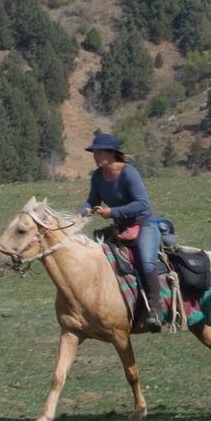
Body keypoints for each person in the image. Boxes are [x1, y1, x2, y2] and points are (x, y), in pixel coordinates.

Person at [76, 131, 171, 329]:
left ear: (111, 153)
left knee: (145, 261)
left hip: (143, 225)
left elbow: (142, 205)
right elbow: (92, 200)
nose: (95, 156)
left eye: (99, 153)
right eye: (94, 153)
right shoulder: (97, 176)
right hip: (120, 228)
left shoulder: (129, 173)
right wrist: (80, 213)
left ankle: (156, 308)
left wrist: (111, 212)